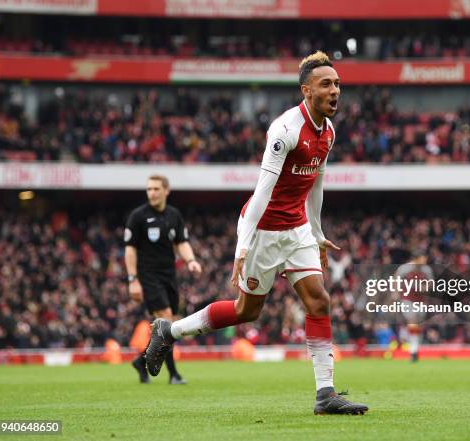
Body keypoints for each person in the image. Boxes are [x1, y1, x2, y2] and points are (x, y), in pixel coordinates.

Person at [144, 51, 368, 415]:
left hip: (296, 230)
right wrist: (242, 247)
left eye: (338, 84)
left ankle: (325, 394)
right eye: (326, 84)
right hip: (263, 230)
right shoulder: (284, 131)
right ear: (306, 90)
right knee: (246, 311)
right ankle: (168, 332)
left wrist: (317, 231)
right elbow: (262, 191)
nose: (335, 90)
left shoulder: (328, 131)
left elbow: (317, 183)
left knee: (319, 301)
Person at [124, 174, 202, 384]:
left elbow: (181, 242)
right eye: (149, 189)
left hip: (169, 276)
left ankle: (141, 362)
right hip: (149, 276)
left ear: (166, 190)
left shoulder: (174, 215)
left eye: (156, 189)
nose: (152, 193)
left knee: (172, 326)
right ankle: (174, 375)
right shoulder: (138, 216)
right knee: (166, 321)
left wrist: (191, 260)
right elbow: (130, 250)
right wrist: (133, 279)